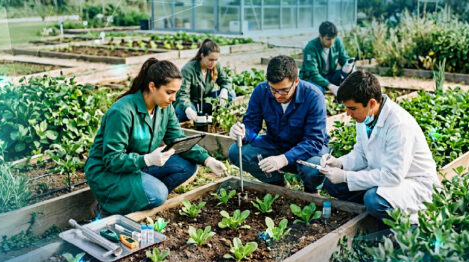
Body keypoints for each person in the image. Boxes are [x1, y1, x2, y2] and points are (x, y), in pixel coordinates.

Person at [85, 58, 227, 215]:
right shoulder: (122, 112)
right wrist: (146, 160)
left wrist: (208, 160)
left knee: (187, 165)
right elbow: (112, 160)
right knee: (157, 194)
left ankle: (141, 193)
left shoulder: (163, 108)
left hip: (137, 166)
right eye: (169, 92)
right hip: (109, 174)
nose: (173, 98)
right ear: (152, 86)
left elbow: (177, 139)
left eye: (175, 93)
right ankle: (108, 207)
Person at [318, 70, 441, 223]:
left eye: (352, 108)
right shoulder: (365, 118)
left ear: (371, 103)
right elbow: (361, 154)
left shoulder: (399, 124)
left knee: (373, 200)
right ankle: (377, 211)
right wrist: (340, 163)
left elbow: (392, 176)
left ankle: (410, 227)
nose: (348, 114)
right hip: (382, 176)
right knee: (333, 184)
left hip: (413, 183)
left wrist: (347, 176)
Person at [227, 55, 328, 193]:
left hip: (307, 152)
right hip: (276, 144)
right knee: (236, 152)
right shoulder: (261, 91)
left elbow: (314, 141)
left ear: (296, 81)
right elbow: (251, 125)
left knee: (314, 167)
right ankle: (277, 183)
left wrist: (284, 159)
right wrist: (243, 133)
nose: (278, 95)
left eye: (284, 90)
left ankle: (311, 193)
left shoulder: (314, 97)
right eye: (273, 90)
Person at [176, 39, 236, 123]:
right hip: (192, 103)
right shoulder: (188, 69)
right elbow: (182, 94)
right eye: (211, 60)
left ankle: (213, 117)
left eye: (216, 60)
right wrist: (187, 108)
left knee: (231, 94)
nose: (213, 63)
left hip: (205, 101)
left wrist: (224, 90)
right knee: (183, 111)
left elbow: (226, 80)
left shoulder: (215, 66)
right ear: (202, 55)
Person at [300, 21, 355, 96]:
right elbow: (313, 73)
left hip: (329, 76)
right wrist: (330, 86)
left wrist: (349, 67)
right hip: (313, 79)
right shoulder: (311, 47)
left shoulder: (337, 42)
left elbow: (344, 58)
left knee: (352, 78)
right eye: (328, 39)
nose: (331, 42)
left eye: (333, 38)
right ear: (320, 36)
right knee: (317, 92)